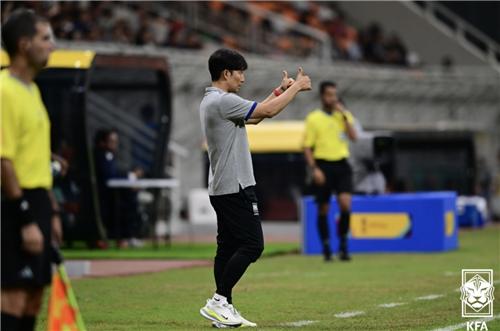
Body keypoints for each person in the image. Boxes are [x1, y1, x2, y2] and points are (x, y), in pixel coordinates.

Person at [199, 48, 311, 328]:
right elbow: (269, 113)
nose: (243, 79)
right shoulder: (224, 102)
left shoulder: (214, 101)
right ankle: (218, 301)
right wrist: (296, 87)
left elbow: (256, 116)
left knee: (226, 248)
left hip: (221, 185)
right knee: (253, 244)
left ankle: (224, 310)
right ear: (226, 73)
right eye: (240, 73)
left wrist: (278, 91)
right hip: (235, 184)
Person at [1, 9, 62, 331]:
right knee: (12, 295)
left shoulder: (32, 89)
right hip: (14, 205)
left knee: (34, 297)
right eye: (45, 38)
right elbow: (3, 162)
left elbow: (35, 157)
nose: (52, 46)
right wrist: (25, 219)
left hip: (38, 200)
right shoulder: (5, 90)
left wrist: (50, 212)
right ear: (24, 45)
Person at [303, 81, 358, 262]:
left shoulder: (343, 115)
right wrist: (314, 169)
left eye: (334, 94)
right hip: (323, 165)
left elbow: (354, 137)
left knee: (345, 204)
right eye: (329, 95)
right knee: (324, 208)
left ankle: (343, 245)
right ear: (322, 96)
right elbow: (307, 147)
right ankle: (326, 246)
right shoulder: (313, 118)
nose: (333, 98)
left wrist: (343, 115)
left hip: (342, 164)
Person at [94, 129, 143, 248]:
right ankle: (123, 237)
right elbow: (109, 176)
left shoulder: (111, 156)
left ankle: (127, 236)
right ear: (102, 142)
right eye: (111, 141)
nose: (114, 144)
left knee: (131, 198)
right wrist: (130, 176)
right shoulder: (100, 156)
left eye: (116, 141)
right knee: (127, 202)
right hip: (105, 197)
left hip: (114, 195)